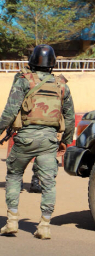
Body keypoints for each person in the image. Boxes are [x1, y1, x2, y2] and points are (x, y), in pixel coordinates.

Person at [0, 45, 75, 239]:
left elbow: (9, 111)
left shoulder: (23, 81)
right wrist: (64, 142)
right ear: (52, 63)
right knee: (49, 183)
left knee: (14, 175)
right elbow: (70, 118)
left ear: (32, 61)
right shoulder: (62, 85)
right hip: (49, 141)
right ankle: (44, 225)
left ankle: (12, 222)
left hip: (25, 138)